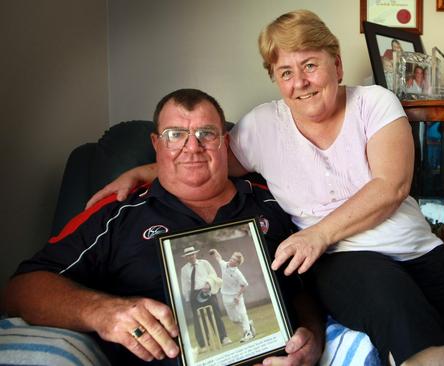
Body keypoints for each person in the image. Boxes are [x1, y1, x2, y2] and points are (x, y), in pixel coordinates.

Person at [86, 10, 444, 366]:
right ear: (275, 80)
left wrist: (316, 233)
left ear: (336, 64)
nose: (300, 82)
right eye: (286, 72)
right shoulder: (262, 126)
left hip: (419, 253)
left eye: (310, 65)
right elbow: (205, 161)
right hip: (342, 260)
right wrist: (144, 170)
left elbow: (390, 186)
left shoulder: (375, 103)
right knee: (408, 324)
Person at [3, 88, 323, 366]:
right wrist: (101, 311)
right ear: (157, 144)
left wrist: (313, 339)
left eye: (206, 133)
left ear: (225, 142)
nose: (192, 147)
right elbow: (21, 289)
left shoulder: (274, 201)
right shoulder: (117, 215)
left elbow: (306, 289)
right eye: (175, 135)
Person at [180, 245, 231, 352]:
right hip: (194, 295)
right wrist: (188, 299)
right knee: (199, 320)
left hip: (208, 290)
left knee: (216, 315)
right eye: (188, 256)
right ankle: (203, 345)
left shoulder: (204, 263)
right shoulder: (184, 269)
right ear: (186, 257)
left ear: (195, 254)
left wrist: (208, 283)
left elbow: (213, 274)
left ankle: (224, 338)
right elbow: (184, 285)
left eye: (192, 254)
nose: (191, 257)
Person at [208, 248, 255, 343]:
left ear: (237, 264)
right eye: (232, 257)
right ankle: (248, 324)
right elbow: (219, 258)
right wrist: (215, 251)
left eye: (234, 259)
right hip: (225, 296)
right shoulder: (224, 265)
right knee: (234, 320)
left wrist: (238, 296)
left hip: (236, 297)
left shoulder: (237, 273)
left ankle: (247, 332)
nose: (231, 259)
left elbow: (244, 285)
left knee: (242, 314)